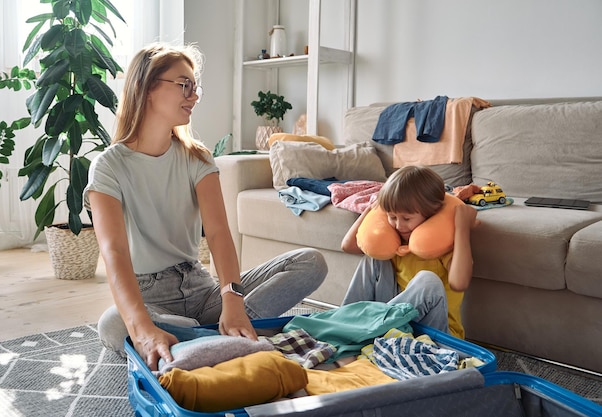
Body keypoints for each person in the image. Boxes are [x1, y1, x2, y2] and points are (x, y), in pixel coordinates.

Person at [83, 42, 327, 371]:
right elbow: (113, 252)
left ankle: (208, 340)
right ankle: (226, 340)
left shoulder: (196, 157)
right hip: (151, 298)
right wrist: (141, 328)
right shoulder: (108, 166)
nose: (193, 95)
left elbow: (218, 232)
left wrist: (233, 301)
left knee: (310, 262)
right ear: (148, 88)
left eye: (195, 86)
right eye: (184, 85)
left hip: (201, 290)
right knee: (114, 324)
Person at [340, 165, 478, 338]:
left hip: (435, 333)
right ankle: (344, 325)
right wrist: (372, 210)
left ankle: (368, 329)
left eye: (406, 218)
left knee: (428, 280)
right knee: (373, 258)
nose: (399, 225)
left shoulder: (440, 244)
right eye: (392, 217)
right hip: (395, 324)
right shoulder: (393, 242)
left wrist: (462, 228)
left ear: (430, 213)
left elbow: (460, 283)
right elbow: (348, 246)